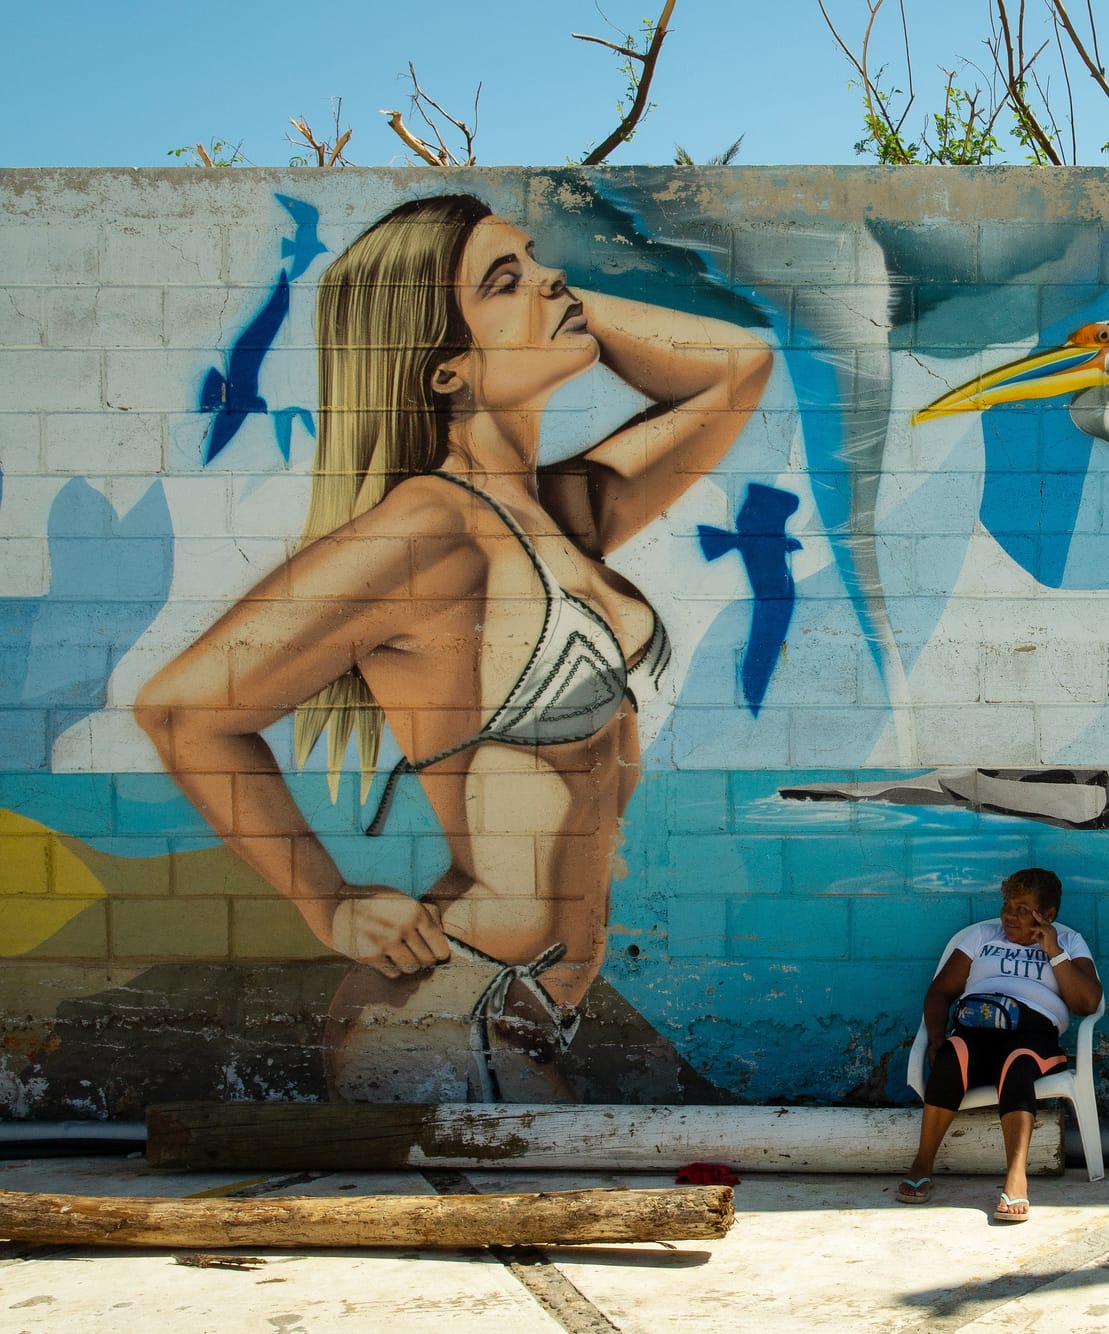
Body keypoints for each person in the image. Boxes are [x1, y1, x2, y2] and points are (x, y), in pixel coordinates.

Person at [136, 193, 772, 1100]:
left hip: (526, 1004)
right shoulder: (428, 530)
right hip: (448, 1005)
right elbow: (182, 711)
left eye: (534, 259)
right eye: (503, 282)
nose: (552, 279)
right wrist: (328, 903)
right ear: (443, 371)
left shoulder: (561, 514)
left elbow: (735, 370)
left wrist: (555, 302)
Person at [897, 868, 1103, 1223]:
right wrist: (935, 1037)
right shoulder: (981, 937)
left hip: (1032, 1037)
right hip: (976, 1028)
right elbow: (941, 992)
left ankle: (1016, 1176)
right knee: (952, 1056)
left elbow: (1087, 1003)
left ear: (1047, 915)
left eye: (1023, 909)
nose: (1009, 915)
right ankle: (923, 1161)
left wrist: (1053, 951)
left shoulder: (1069, 944)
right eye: (1008, 905)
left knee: (1018, 1063)